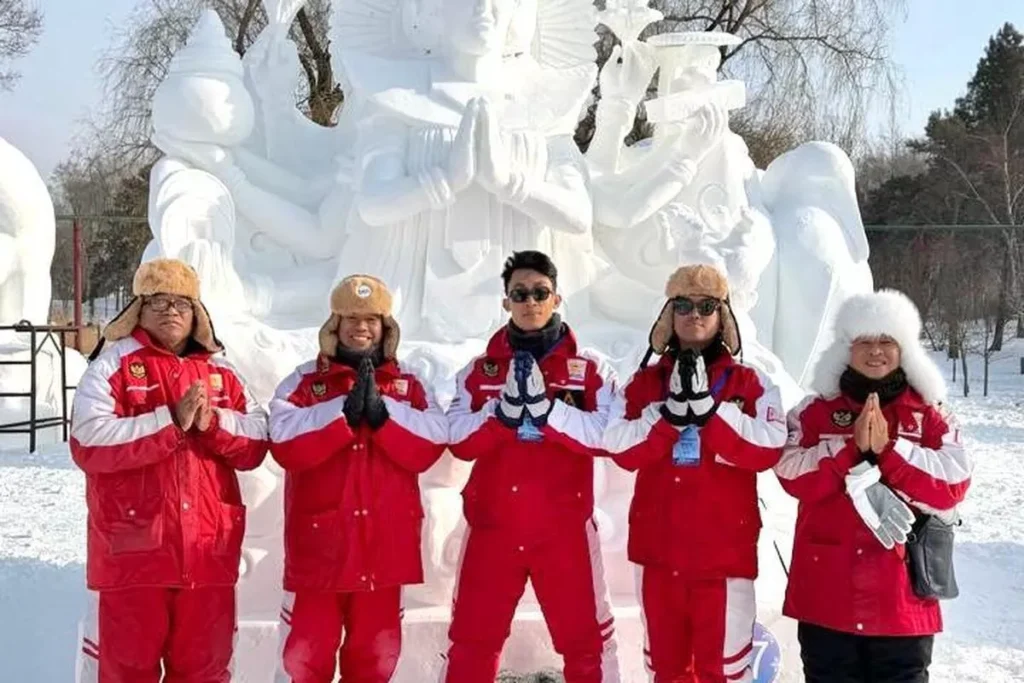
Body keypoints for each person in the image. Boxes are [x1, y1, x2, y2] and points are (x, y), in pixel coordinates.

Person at [70, 258, 269, 682]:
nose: (171, 311)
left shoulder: (222, 370)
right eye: (158, 301)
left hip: (207, 555)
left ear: (197, 312)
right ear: (138, 309)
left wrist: (211, 424)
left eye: (181, 302)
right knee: (125, 672)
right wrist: (169, 421)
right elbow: (88, 439)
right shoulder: (113, 364)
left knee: (205, 671)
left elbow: (256, 441)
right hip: (132, 557)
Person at [774, 289, 972, 683]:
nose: (875, 351)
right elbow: (790, 472)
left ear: (904, 350)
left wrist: (890, 453)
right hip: (826, 599)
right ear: (846, 349)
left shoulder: (931, 416)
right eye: (864, 341)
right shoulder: (814, 411)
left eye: (886, 341)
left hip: (903, 605)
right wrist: (850, 451)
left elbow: (954, 483)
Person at [441, 250, 620, 683]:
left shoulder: (590, 369)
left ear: (556, 298)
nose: (530, 302)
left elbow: (608, 437)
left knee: (585, 644)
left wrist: (549, 413)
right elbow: (457, 439)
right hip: (493, 530)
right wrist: (500, 416)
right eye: (519, 294)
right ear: (505, 302)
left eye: (540, 293)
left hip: (565, 532)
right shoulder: (479, 370)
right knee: (471, 642)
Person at [602, 262, 787, 683]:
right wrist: (667, 418)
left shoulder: (749, 383)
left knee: (720, 672)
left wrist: (712, 414)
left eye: (707, 305)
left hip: (723, 559)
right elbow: (620, 447)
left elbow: (769, 447)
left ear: (724, 316)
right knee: (666, 671)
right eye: (683, 305)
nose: (695, 314)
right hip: (658, 556)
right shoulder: (645, 383)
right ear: (669, 316)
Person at [268, 274, 449, 683]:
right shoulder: (303, 381)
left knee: (376, 661)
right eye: (350, 317)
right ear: (334, 324)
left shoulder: (411, 383)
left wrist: (385, 417)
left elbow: (432, 441)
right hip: (320, 553)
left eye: (371, 318)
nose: (360, 327)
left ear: (386, 327)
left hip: (384, 553)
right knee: (303, 660)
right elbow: (281, 439)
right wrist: (339, 416)